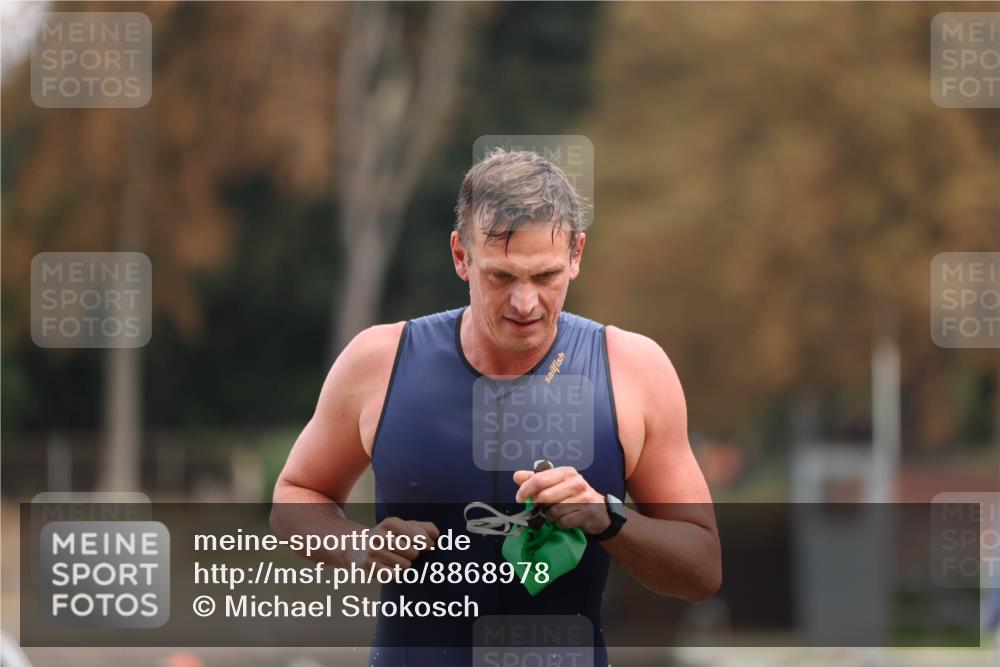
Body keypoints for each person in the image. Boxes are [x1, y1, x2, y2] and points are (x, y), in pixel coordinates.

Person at [272, 148, 722, 666]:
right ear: (461, 256)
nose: (525, 303)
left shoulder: (633, 370)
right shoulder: (379, 361)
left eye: (546, 276)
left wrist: (607, 517)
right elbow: (294, 495)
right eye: (502, 277)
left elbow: (702, 569)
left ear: (577, 254)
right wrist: (357, 548)